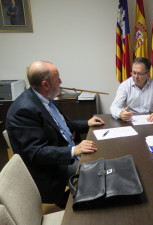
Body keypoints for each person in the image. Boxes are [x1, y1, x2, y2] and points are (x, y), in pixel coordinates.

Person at [6, 61, 105, 208]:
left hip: (62, 152)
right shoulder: (24, 111)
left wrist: (87, 123)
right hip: (52, 167)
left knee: (102, 162)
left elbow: (62, 126)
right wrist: (74, 150)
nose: (61, 82)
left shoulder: (44, 99)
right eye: (57, 78)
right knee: (97, 172)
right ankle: (76, 204)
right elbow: (37, 152)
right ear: (45, 85)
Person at [110, 57, 153, 122]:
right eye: (134, 73)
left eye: (139, 74)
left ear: (148, 74)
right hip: (131, 120)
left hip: (150, 120)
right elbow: (114, 107)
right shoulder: (125, 85)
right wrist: (120, 114)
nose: (136, 77)